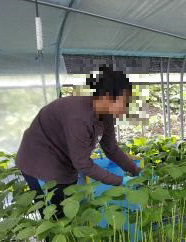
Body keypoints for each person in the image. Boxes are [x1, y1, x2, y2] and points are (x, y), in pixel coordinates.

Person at [15, 65, 141, 220]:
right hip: (39, 162)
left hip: (64, 160)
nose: (126, 108)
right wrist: (120, 181)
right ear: (107, 97)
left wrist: (135, 171)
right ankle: (56, 241)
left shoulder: (106, 114)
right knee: (56, 218)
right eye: (124, 102)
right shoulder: (78, 117)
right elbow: (82, 163)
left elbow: (111, 148)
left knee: (69, 206)